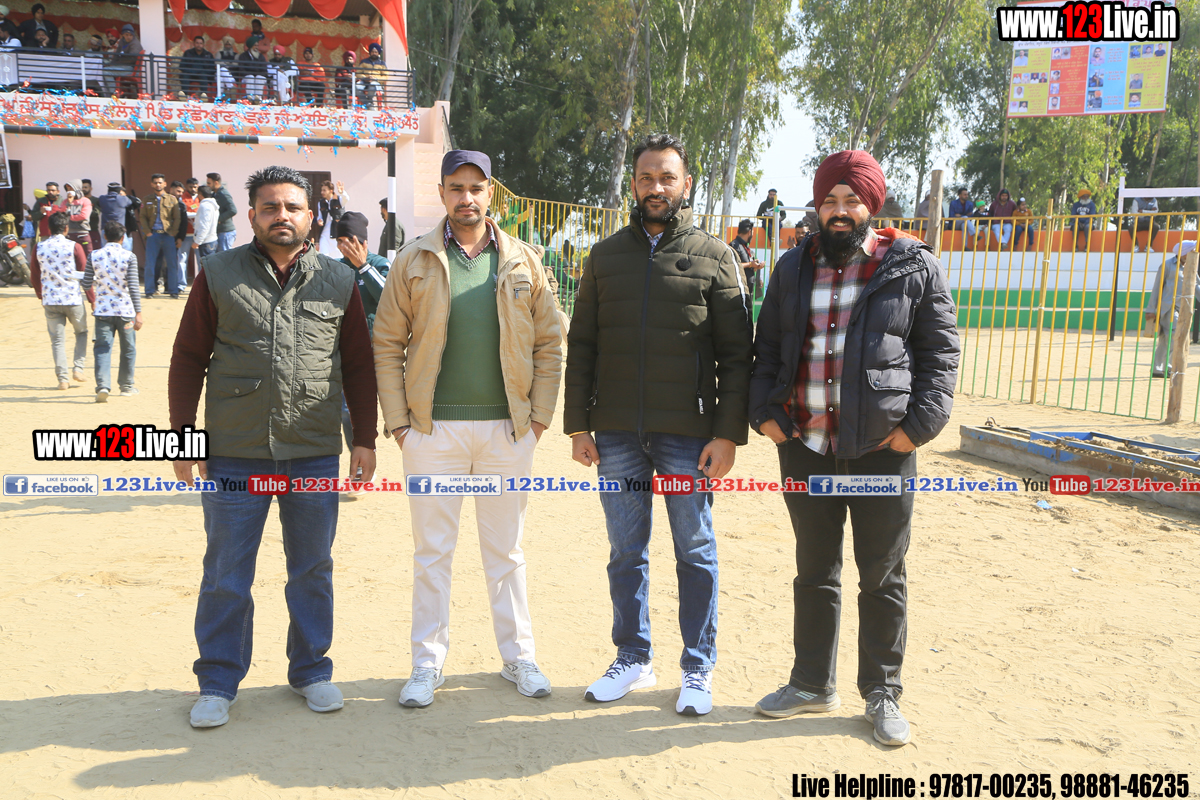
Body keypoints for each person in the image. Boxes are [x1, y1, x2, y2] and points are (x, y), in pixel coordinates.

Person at [749, 150, 959, 747]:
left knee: (882, 574)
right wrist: (766, 416)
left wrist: (917, 428)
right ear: (817, 207)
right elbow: (768, 350)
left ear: (872, 206)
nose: (840, 212)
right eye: (830, 201)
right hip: (806, 447)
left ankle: (882, 692)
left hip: (881, 452)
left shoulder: (911, 266)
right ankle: (811, 684)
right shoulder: (793, 267)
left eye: (851, 201)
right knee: (815, 570)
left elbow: (941, 354)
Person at [169, 165, 378, 729]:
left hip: (313, 450)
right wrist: (183, 438)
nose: (281, 216)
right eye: (269, 207)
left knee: (312, 568)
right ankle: (218, 681)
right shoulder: (218, 274)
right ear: (252, 216)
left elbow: (359, 365)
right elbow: (188, 359)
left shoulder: (338, 279)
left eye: (292, 207)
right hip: (234, 453)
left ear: (311, 215)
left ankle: (311, 670)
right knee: (226, 573)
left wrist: (363, 437)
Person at [564, 133, 753, 717]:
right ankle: (633, 656)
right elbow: (583, 344)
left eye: (667, 177)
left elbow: (737, 356)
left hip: (687, 435)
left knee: (694, 550)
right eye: (646, 178)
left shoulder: (715, 256)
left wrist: (727, 434)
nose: (656, 188)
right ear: (634, 184)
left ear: (685, 184)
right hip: (617, 433)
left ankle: (697, 667)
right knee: (626, 551)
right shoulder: (604, 257)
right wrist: (579, 426)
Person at [373, 150, 563, 708]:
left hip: (508, 432)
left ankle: (519, 656)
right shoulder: (412, 260)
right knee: (432, 553)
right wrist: (401, 425)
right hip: (432, 434)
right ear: (442, 193)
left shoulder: (524, 260)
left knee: (506, 551)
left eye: (476, 188)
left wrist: (538, 419)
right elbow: (386, 343)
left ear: (490, 194)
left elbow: (550, 343)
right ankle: (426, 663)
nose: (466, 198)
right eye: (456, 188)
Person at [333, 210, 389, 452]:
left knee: (395, 409)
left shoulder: (380, 264)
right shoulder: (335, 268)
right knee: (347, 411)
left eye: (348, 241)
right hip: (350, 352)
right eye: (339, 242)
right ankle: (363, 455)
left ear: (362, 241)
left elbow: (390, 297)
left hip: (381, 350)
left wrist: (363, 267)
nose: (343, 247)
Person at [81, 220, 142, 402]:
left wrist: (94, 298)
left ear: (104, 236)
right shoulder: (129, 257)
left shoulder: (94, 255)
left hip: (103, 311)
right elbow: (133, 287)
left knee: (102, 348)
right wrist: (138, 312)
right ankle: (126, 386)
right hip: (125, 311)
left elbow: (86, 283)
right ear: (123, 238)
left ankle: (103, 386)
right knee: (128, 348)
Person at [31, 212, 88, 390]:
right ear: (66, 228)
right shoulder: (74, 246)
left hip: (51, 300)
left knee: (57, 340)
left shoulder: (39, 247)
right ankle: (78, 368)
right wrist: (92, 298)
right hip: (72, 298)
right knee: (81, 332)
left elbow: (34, 274)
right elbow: (84, 273)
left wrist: (41, 295)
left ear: (49, 228)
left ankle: (63, 379)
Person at [1145, 241, 1197, 378]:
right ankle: (1168, 367)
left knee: (1164, 340)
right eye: (1192, 250)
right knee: (1174, 336)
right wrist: (1150, 309)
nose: (1195, 252)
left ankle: (1157, 369)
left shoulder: (1192, 265)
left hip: (1184, 308)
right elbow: (1157, 287)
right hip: (1169, 308)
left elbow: (1196, 286)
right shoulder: (1167, 265)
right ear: (1184, 253)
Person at [138, 173, 181, 298]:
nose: (158, 185)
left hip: (168, 235)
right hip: (153, 236)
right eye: (155, 182)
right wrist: (147, 231)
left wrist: (173, 232)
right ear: (152, 184)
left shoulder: (172, 199)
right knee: (150, 264)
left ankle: (173, 291)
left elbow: (177, 217)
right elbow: (142, 217)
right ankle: (149, 291)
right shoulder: (146, 199)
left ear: (165, 184)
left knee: (172, 264)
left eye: (160, 182)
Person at [311, 180, 347, 257]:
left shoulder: (339, 200)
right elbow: (320, 216)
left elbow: (346, 199)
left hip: (336, 233)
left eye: (324, 190)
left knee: (337, 256)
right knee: (323, 255)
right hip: (324, 234)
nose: (322, 192)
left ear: (331, 191)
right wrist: (319, 221)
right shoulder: (321, 203)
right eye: (321, 190)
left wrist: (342, 192)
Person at [729, 218, 763, 297]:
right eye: (753, 233)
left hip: (747, 290)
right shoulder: (735, 246)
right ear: (749, 232)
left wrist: (755, 266)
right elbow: (732, 265)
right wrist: (750, 264)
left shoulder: (744, 247)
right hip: (738, 292)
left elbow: (746, 266)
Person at [60, 180, 93, 257]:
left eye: (71, 189)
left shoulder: (85, 201)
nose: (69, 191)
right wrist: (69, 203)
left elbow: (83, 216)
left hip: (82, 234)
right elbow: (61, 214)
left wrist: (69, 217)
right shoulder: (65, 202)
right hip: (69, 234)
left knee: (87, 256)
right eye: (67, 189)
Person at [207, 172, 238, 252]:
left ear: (216, 183)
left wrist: (218, 219)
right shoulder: (215, 194)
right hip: (220, 232)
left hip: (225, 232)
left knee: (225, 257)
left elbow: (233, 210)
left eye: (209, 183)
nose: (207, 185)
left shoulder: (223, 194)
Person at [192, 185, 219, 267]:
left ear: (200, 194)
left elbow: (204, 226)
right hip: (212, 239)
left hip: (206, 242)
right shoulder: (213, 205)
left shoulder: (205, 206)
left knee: (206, 268)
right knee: (210, 267)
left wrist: (198, 241)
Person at [357, 43, 386, 108]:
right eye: (372, 52)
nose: (374, 53)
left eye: (376, 52)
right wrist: (365, 78)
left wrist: (375, 78)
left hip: (376, 82)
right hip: (364, 81)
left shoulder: (382, 63)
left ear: (378, 53)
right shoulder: (363, 61)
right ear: (370, 53)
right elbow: (358, 73)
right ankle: (368, 103)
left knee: (372, 85)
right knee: (356, 86)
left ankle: (369, 102)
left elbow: (385, 76)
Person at [215, 36, 239, 100]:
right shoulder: (219, 53)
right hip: (218, 75)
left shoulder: (236, 55)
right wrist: (229, 64)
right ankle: (230, 88)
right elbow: (217, 62)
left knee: (222, 73)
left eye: (229, 45)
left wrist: (225, 64)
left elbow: (236, 64)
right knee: (222, 71)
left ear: (232, 46)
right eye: (226, 45)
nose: (228, 46)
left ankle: (219, 97)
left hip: (232, 76)